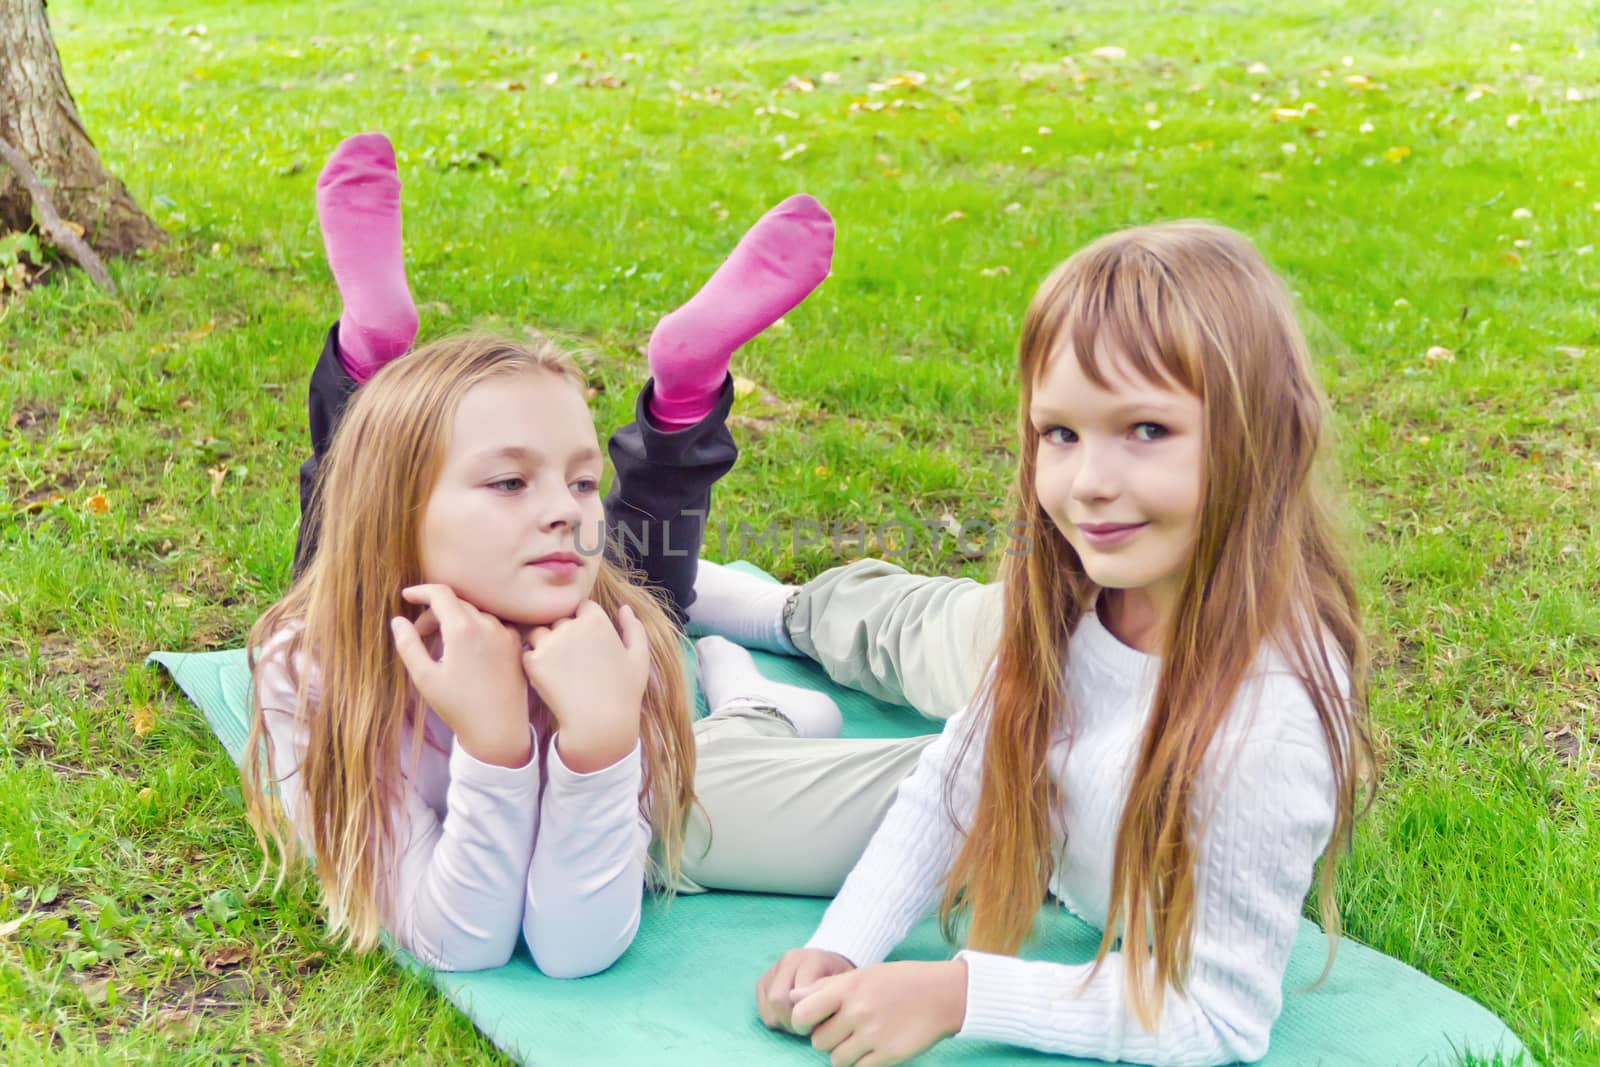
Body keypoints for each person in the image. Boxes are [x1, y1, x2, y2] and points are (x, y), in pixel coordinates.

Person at [715, 221, 1374, 1065]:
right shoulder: (1081, 575)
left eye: (1145, 429)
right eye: (1059, 433)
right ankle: (776, 611)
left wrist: (962, 993)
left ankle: (755, 699)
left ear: (1264, 436)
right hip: (1058, 633)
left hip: (1096, 733)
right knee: (910, 629)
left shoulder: (1266, 725)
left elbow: (1216, 1014)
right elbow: (957, 776)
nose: (1089, 484)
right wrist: (845, 942)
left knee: (705, 810)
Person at [242, 133, 845, 977]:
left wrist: (599, 741)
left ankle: (671, 400)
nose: (566, 509)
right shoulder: (314, 670)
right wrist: (494, 739)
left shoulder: (612, 639)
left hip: (610, 640)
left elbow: (571, 948)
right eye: (510, 484)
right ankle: (393, 362)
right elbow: (461, 940)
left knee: (644, 593)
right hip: (377, 607)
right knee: (360, 524)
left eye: (583, 479)